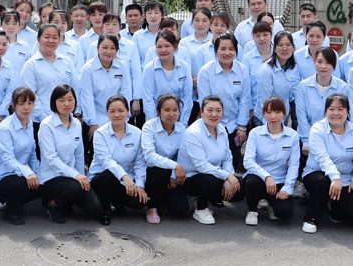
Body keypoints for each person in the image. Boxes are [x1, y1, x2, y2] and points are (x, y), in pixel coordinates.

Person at [300, 93, 353, 234]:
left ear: (348, 112)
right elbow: (323, 159)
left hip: (345, 178)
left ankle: (331, 207)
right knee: (324, 182)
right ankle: (310, 218)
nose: (336, 113)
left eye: (340, 109)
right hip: (318, 174)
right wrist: (335, 177)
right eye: (331, 109)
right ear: (325, 111)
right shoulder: (317, 130)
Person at [177, 95, 245, 225]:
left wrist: (228, 177)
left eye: (218, 110)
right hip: (190, 177)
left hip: (213, 175)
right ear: (201, 112)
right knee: (210, 181)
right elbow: (201, 166)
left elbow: (227, 157)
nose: (214, 114)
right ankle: (201, 209)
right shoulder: (193, 133)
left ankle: (204, 197)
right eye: (209, 110)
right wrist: (227, 176)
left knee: (239, 189)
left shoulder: (221, 129)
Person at [38, 85, 100, 223]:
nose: (66, 104)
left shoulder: (76, 124)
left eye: (70, 99)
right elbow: (51, 159)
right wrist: (76, 176)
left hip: (71, 177)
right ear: (54, 103)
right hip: (51, 178)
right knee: (76, 187)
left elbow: (79, 155)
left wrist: (82, 177)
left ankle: (67, 201)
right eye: (61, 100)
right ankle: (52, 204)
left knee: (94, 208)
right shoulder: (46, 125)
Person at [88, 96, 148, 225]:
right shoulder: (100, 133)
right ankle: (105, 210)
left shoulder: (137, 133)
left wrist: (139, 185)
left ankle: (117, 202)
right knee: (108, 176)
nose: (117, 115)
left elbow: (139, 162)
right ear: (107, 112)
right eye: (112, 111)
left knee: (139, 202)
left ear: (128, 111)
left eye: (121, 110)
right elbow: (106, 161)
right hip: (101, 178)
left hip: (123, 180)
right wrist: (124, 176)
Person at [197, 34, 251, 171]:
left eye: (231, 49)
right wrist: (212, 126)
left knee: (233, 163)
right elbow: (204, 102)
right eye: (223, 49)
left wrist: (242, 127)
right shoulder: (206, 71)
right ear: (216, 50)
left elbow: (244, 100)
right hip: (212, 126)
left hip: (234, 127)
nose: (227, 53)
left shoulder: (242, 70)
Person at [0, 87, 42, 225]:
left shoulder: (29, 123)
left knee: (45, 182)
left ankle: (5, 200)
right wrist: (28, 173)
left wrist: (39, 174)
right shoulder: (5, 128)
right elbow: (8, 160)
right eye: (21, 103)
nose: (26, 108)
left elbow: (32, 154)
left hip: (19, 174)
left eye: (30, 103)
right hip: (2, 176)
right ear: (13, 105)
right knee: (23, 184)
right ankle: (11, 212)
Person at [243, 96, 299, 226]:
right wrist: (267, 176)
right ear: (264, 114)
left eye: (277, 112)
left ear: (284, 114)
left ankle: (272, 205)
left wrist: (287, 188)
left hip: (279, 180)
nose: (273, 116)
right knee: (252, 182)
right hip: (258, 178)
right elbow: (248, 161)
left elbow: (294, 165)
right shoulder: (255, 133)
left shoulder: (292, 135)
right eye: (268, 112)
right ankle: (252, 210)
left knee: (285, 212)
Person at [79, 34, 132, 164]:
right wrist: (93, 123)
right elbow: (87, 97)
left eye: (113, 48)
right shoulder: (88, 68)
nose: (109, 51)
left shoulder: (122, 66)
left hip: (118, 118)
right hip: (96, 119)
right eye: (105, 47)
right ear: (97, 48)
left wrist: (123, 118)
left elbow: (125, 93)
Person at [21, 23, 79, 133]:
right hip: (40, 122)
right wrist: (47, 120)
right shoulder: (31, 65)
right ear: (38, 39)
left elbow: (75, 88)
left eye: (55, 37)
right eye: (47, 37)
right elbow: (31, 96)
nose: (51, 41)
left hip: (66, 119)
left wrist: (76, 113)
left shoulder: (66, 62)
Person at [141, 94, 188, 224]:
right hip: (152, 173)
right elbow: (149, 157)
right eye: (166, 110)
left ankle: (162, 200)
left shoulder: (182, 129)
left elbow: (182, 156)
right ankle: (152, 207)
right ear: (158, 111)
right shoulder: (149, 127)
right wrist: (174, 167)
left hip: (171, 174)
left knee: (180, 208)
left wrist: (173, 174)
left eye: (175, 110)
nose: (171, 114)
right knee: (160, 171)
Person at [295, 47, 348, 157]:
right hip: (308, 140)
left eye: (328, 63)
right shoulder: (303, 86)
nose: (323, 66)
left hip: (335, 140)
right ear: (314, 62)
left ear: (334, 65)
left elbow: (343, 117)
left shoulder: (342, 87)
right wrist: (306, 141)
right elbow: (301, 116)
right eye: (319, 62)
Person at [142, 30, 193, 124]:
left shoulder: (184, 67)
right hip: (155, 119)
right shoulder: (149, 69)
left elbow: (187, 98)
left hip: (178, 119)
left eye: (167, 46)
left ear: (175, 47)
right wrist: (155, 124)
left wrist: (182, 123)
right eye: (159, 47)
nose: (163, 50)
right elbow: (148, 99)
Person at [100, 13, 143, 120]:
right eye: (107, 24)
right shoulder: (95, 46)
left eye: (114, 24)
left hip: (125, 97)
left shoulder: (130, 46)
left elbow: (136, 73)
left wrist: (136, 99)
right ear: (102, 27)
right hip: (100, 98)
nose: (111, 28)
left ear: (120, 27)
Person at [256, 31, 300, 126]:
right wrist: (268, 124)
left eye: (288, 45)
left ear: (293, 48)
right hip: (266, 118)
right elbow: (265, 100)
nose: (285, 48)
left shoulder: (293, 68)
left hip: (283, 116)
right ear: (275, 49)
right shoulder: (266, 70)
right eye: (280, 45)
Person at [240, 21, 273, 119]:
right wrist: (250, 108)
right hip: (255, 110)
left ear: (271, 35)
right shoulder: (247, 58)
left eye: (265, 35)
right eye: (257, 35)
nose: (262, 39)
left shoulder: (278, 56)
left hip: (277, 110)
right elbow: (245, 87)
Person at [193, 12, 230, 79]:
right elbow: (200, 75)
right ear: (210, 26)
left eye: (222, 25)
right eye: (215, 25)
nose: (219, 28)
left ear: (227, 28)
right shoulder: (202, 50)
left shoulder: (236, 48)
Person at [0, 9, 32, 85]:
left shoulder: (25, 47)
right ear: (1, 25)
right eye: (7, 23)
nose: (11, 27)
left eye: (14, 23)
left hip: (20, 89)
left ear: (19, 25)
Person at [75, 2, 107, 66]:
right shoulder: (83, 40)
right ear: (88, 17)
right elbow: (80, 63)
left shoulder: (112, 36)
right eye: (93, 15)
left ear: (106, 15)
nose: (97, 18)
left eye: (100, 14)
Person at [134, 0, 164, 65]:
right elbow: (134, 59)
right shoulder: (137, 35)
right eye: (149, 13)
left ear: (162, 15)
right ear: (145, 16)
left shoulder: (166, 34)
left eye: (156, 12)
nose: (153, 16)